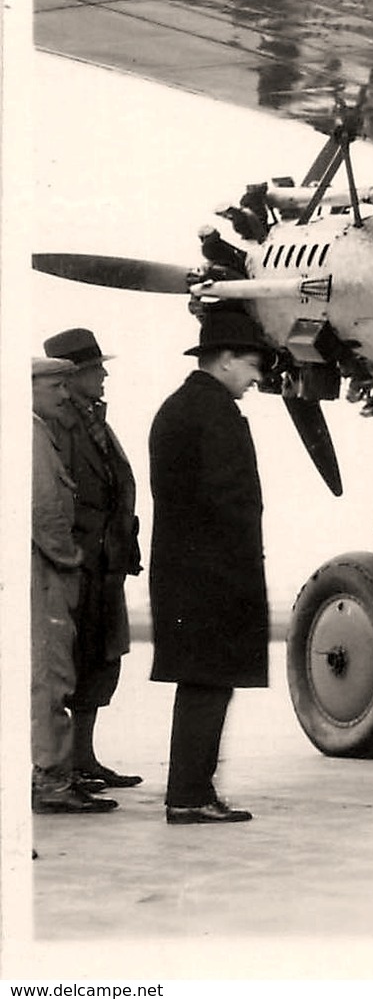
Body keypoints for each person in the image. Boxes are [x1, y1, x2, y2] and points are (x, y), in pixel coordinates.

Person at [149, 310, 275, 824]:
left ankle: (191, 790)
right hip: (213, 576)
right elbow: (229, 500)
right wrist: (240, 569)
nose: (257, 376)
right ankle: (189, 795)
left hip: (187, 572)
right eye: (250, 364)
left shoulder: (180, 407)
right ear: (224, 361)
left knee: (200, 681)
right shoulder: (213, 412)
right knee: (208, 682)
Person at [43, 328, 144, 791]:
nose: (104, 375)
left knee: (101, 661)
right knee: (75, 662)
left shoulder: (93, 420)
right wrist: (71, 553)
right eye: (96, 368)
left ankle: (83, 758)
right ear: (75, 374)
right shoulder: (59, 426)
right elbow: (57, 497)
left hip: (105, 563)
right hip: (79, 563)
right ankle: (65, 764)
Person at [33, 356, 117, 814]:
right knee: (51, 676)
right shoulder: (34, 434)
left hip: (61, 568)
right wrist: (70, 560)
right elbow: (44, 509)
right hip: (50, 573)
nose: (63, 395)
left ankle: (62, 770)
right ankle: (52, 779)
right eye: (54, 387)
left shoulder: (43, 430)